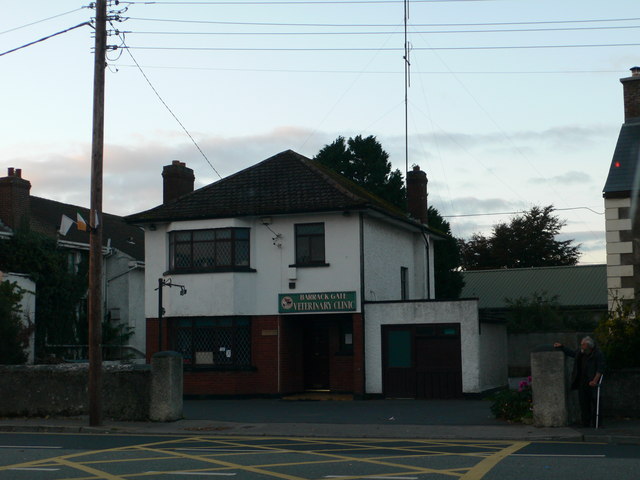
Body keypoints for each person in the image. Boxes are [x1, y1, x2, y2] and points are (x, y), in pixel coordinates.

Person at [554, 336, 606, 428]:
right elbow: (572, 353)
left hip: (592, 382)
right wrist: (562, 347)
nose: (581, 346)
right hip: (582, 382)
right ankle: (585, 423)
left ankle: (596, 423)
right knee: (583, 403)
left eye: (583, 345)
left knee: (595, 403)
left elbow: (600, 369)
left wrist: (594, 381)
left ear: (588, 346)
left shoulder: (597, 354)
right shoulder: (581, 352)